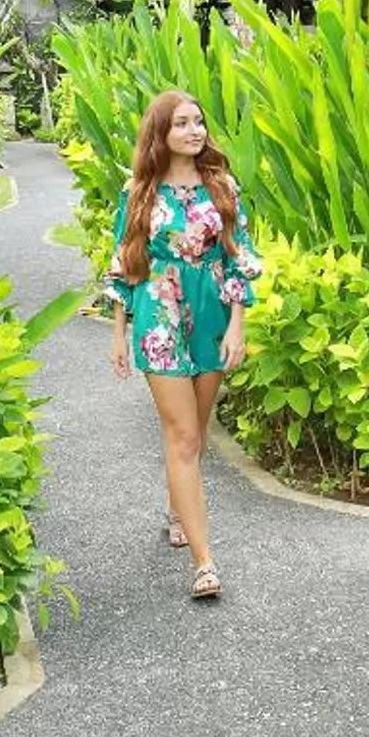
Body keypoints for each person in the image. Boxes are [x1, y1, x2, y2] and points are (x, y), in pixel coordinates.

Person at [105, 90, 260, 601]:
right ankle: (204, 564)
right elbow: (128, 262)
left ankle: (177, 507)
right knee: (184, 438)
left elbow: (239, 257)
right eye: (181, 124)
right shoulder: (140, 192)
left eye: (198, 122)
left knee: (197, 426)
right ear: (161, 135)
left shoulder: (222, 188)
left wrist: (237, 324)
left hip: (212, 314)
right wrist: (119, 333)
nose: (194, 131)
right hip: (160, 316)